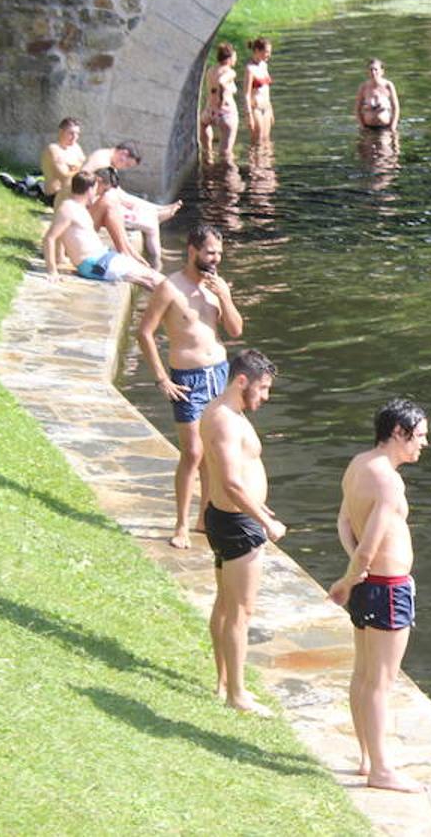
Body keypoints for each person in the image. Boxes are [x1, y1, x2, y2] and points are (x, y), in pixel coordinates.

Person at [328, 398, 429, 793]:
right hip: (386, 589)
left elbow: (343, 521)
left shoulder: (358, 464)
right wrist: (349, 578)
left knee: (363, 675)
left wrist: (356, 572)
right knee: (381, 682)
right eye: (419, 436)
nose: (423, 444)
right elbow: (369, 544)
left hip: (371, 587)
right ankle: (381, 770)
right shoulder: (388, 480)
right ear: (399, 433)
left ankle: (368, 757)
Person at [137, 224, 243, 549]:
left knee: (214, 452)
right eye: (210, 253)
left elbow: (235, 330)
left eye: (219, 254)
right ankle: (181, 524)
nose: (215, 260)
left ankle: (204, 519)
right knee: (193, 452)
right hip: (187, 380)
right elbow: (144, 332)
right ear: (192, 250)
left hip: (218, 374)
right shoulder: (170, 288)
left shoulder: (216, 288)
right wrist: (161, 378)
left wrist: (225, 295)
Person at [200, 349, 285, 715]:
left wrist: (259, 507)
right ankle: (237, 693)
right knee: (240, 611)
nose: (265, 396)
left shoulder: (229, 414)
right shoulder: (223, 420)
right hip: (238, 525)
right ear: (241, 381)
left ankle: (223, 683)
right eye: (262, 388)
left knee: (225, 604)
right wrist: (265, 522)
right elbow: (232, 483)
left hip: (233, 518)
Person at [42, 171, 163, 290]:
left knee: (153, 277)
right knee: (155, 279)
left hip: (103, 258)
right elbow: (49, 238)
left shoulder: (78, 207)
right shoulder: (68, 209)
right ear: (90, 190)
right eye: (95, 189)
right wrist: (52, 271)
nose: (96, 193)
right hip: (95, 264)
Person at [200, 43, 240, 163]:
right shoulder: (230, 72)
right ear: (230, 58)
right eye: (234, 57)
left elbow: (212, 88)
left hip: (209, 111)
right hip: (225, 112)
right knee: (226, 153)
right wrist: (221, 98)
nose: (235, 60)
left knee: (203, 125)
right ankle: (228, 178)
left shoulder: (211, 70)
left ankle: (209, 158)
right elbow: (221, 81)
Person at [40, 117, 85, 206]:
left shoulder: (76, 148)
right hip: (56, 195)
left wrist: (73, 169)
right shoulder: (53, 149)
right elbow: (64, 176)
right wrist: (79, 169)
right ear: (61, 132)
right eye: (71, 133)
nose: (74, 137)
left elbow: (86, 170)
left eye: (77, 134)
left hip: (74, 193)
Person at [243, 37, 274, 144]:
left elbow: (267, 90)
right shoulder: (249, 69)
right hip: (256, 109)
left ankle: (267, 161)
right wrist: (248, 115)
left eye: (270, 52)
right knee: (257, 141)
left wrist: (271, 110)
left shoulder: (264, 66)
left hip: (266, 108)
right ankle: (254, 161)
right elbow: (246, 94)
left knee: (267, 140)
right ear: (257, 51)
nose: (269, 55)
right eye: (266, 52)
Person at [353, 58, 400, 130]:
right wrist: (362, 127)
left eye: (376, 69)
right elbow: (357, 108)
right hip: (368, 128)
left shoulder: (388, 85)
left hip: (386, 128)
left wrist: (393, 127)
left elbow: (396, 108)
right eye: (371, 70)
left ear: (382, 71)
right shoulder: (364, 87)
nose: (373, 72)